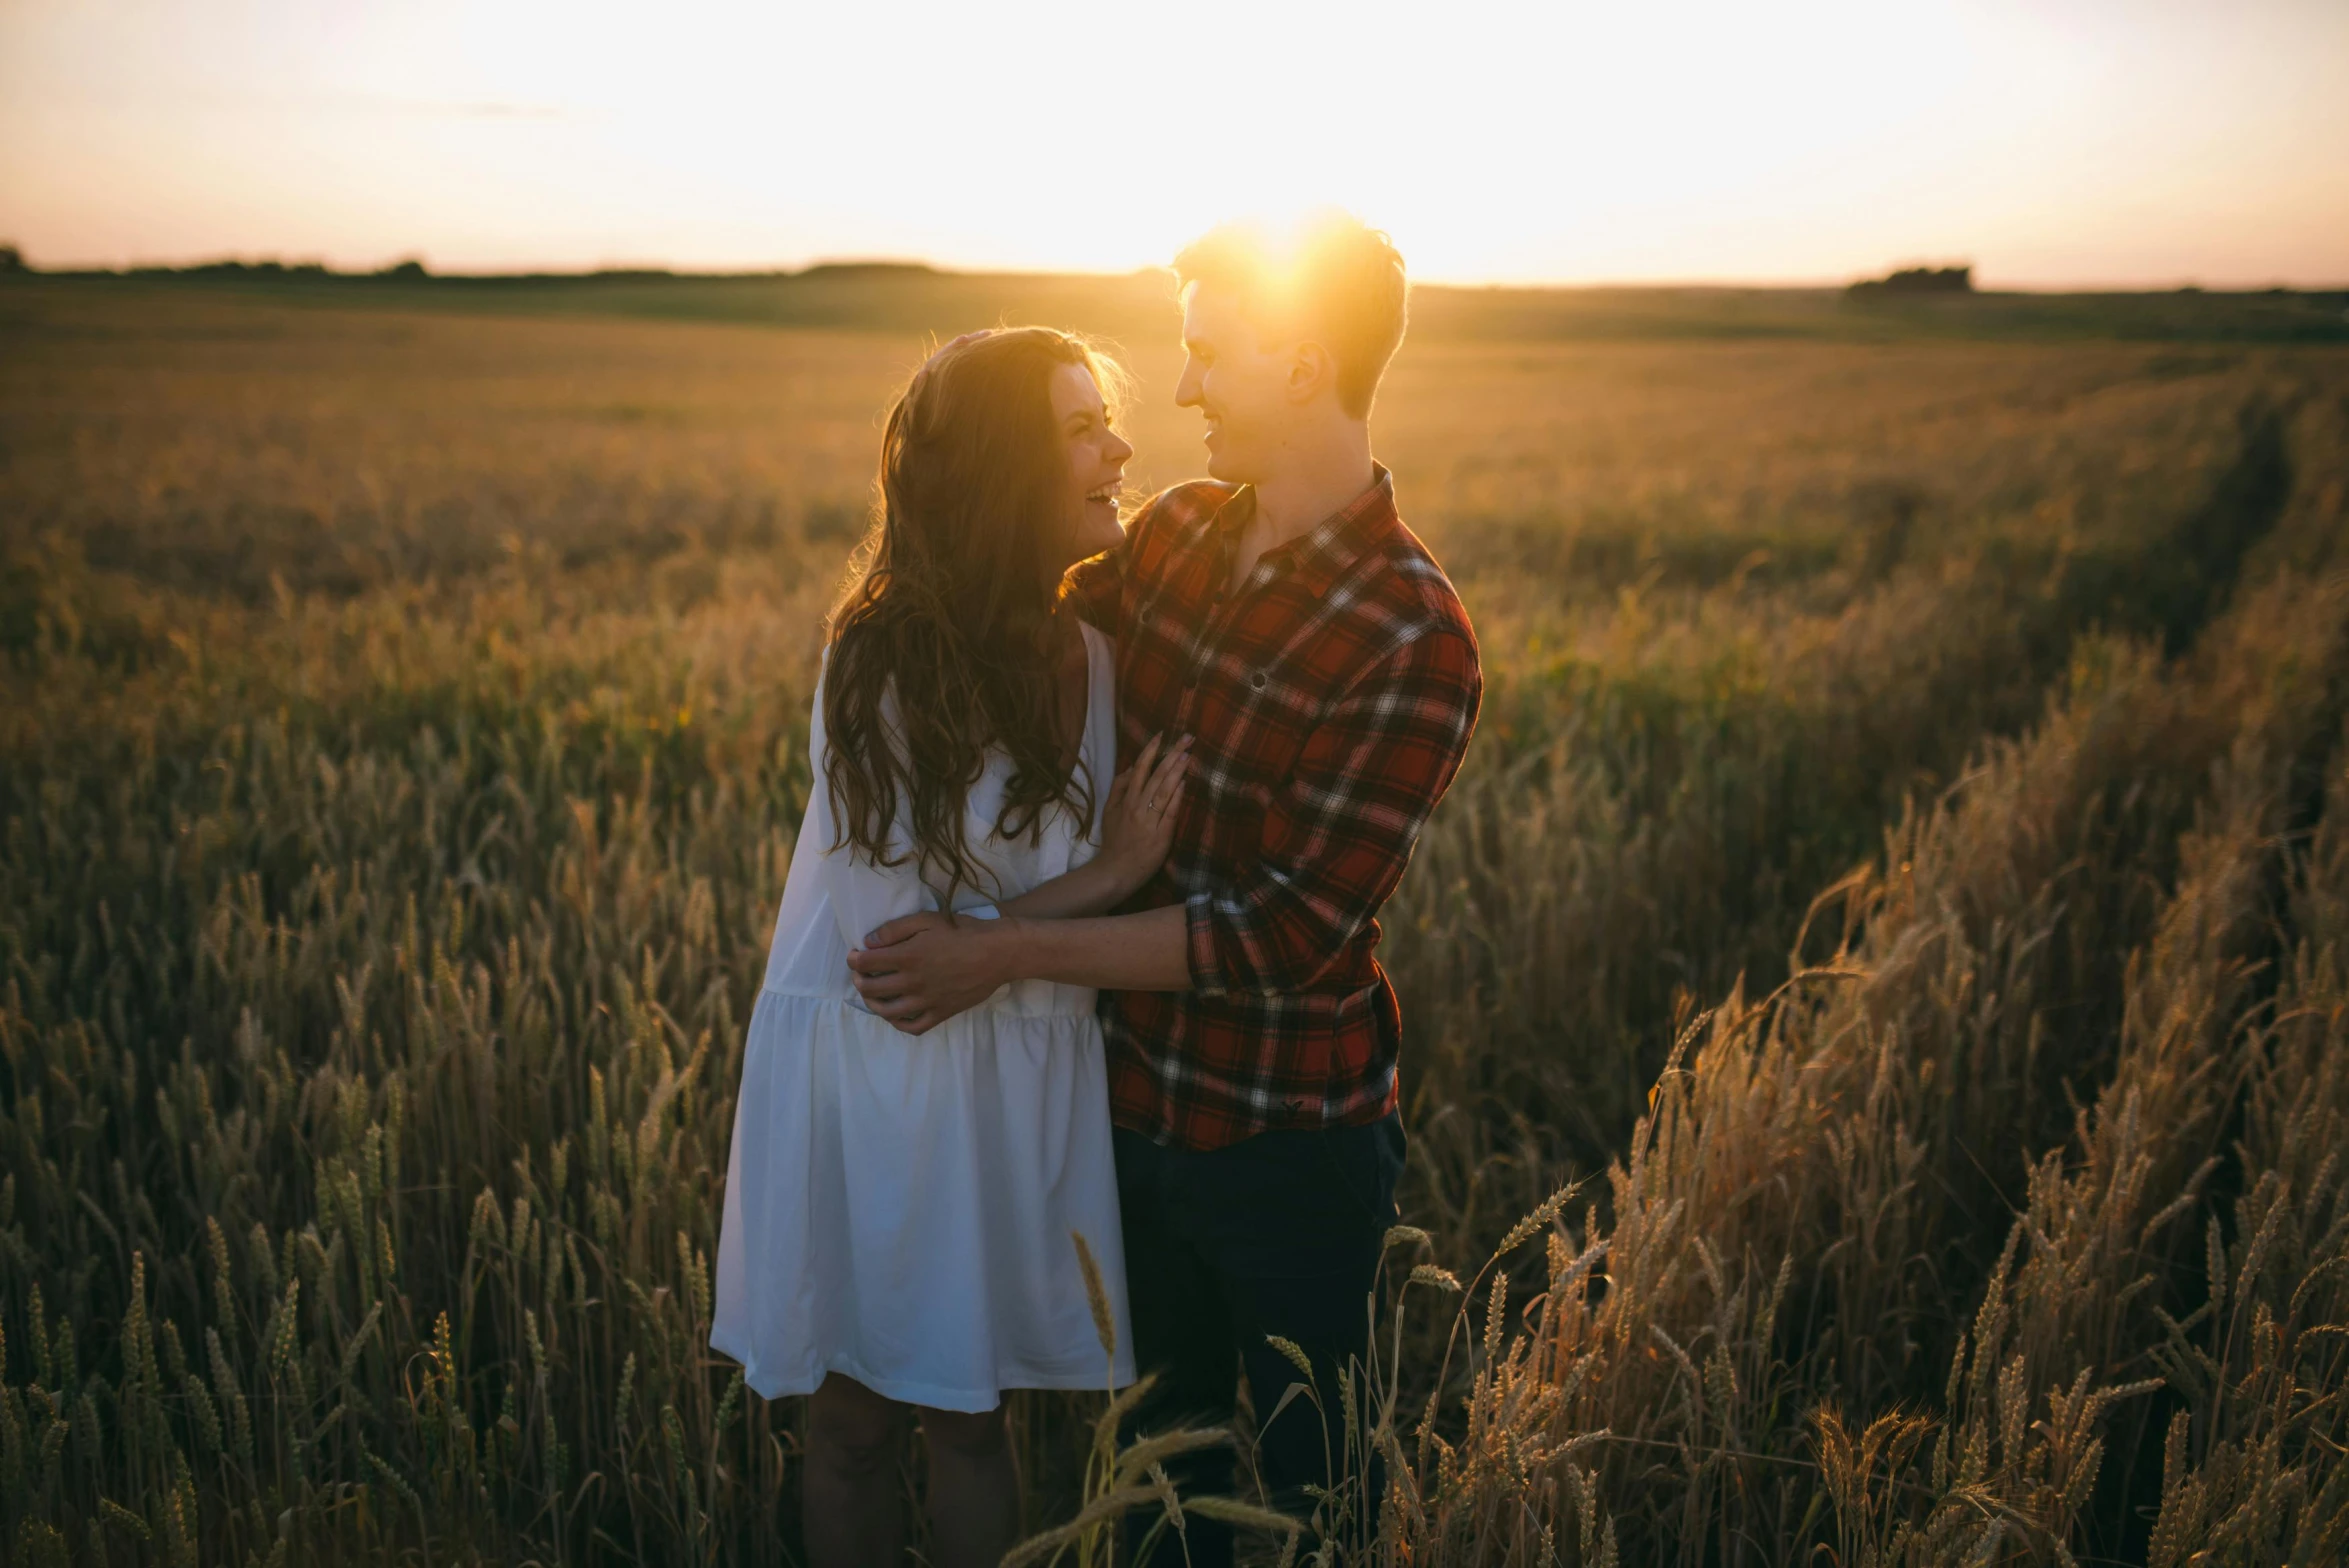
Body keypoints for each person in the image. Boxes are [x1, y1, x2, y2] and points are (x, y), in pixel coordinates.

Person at [847, 213, 1484, 1563]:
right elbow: (996, 602)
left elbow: (1289, 936)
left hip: (1287, 1144)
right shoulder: (1179, 537)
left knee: (1322, 1504)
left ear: (1303, 366)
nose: (1181, 390)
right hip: (1124, 1118)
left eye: (1207, 356)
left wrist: (1001, 949)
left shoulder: (1413, 634)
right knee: (1154, 1495)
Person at [711, 327, 1195, 1568]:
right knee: (858, 1416)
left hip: (1020, 1073)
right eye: (1081, 428)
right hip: (887, 1079)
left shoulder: (1094, 658)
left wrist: (1041, 924)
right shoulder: (881, 655)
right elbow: (900, 960)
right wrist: (1112, 877)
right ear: (1001, 467)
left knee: (975, 1422)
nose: (1120, 447)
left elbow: (975, 937)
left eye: (1109, 419)